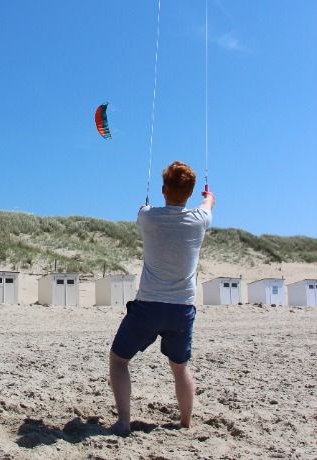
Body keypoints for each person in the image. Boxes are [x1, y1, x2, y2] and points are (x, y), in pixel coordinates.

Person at [108, 160, 215, 436]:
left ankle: (123, 423)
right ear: (190, 193)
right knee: (180, 369)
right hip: (182, 310)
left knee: (119, 360)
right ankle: (186, 422)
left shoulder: (148, 217)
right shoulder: (199, 220)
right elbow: (208, 204)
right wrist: (209, 197)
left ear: (164, 189)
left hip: (148, 307)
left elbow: (142, 210)